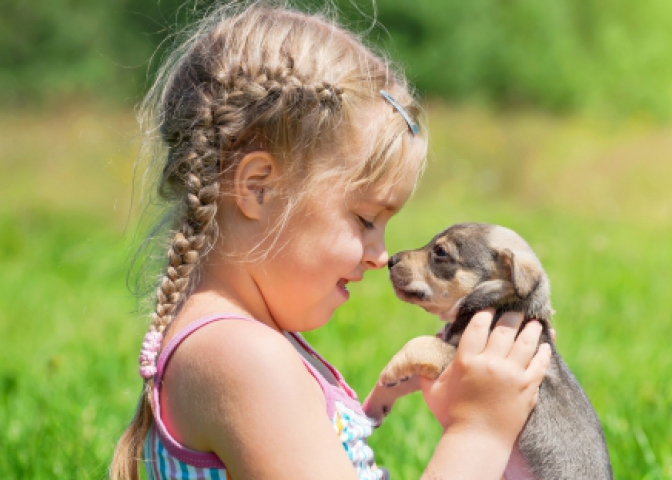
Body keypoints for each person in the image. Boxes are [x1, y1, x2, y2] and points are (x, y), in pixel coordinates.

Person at [110, 2, 552, 479]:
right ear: (257, 188)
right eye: (365, 220)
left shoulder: (244, 345)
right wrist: (480, 429)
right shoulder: (242, 358)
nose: (382, 255)